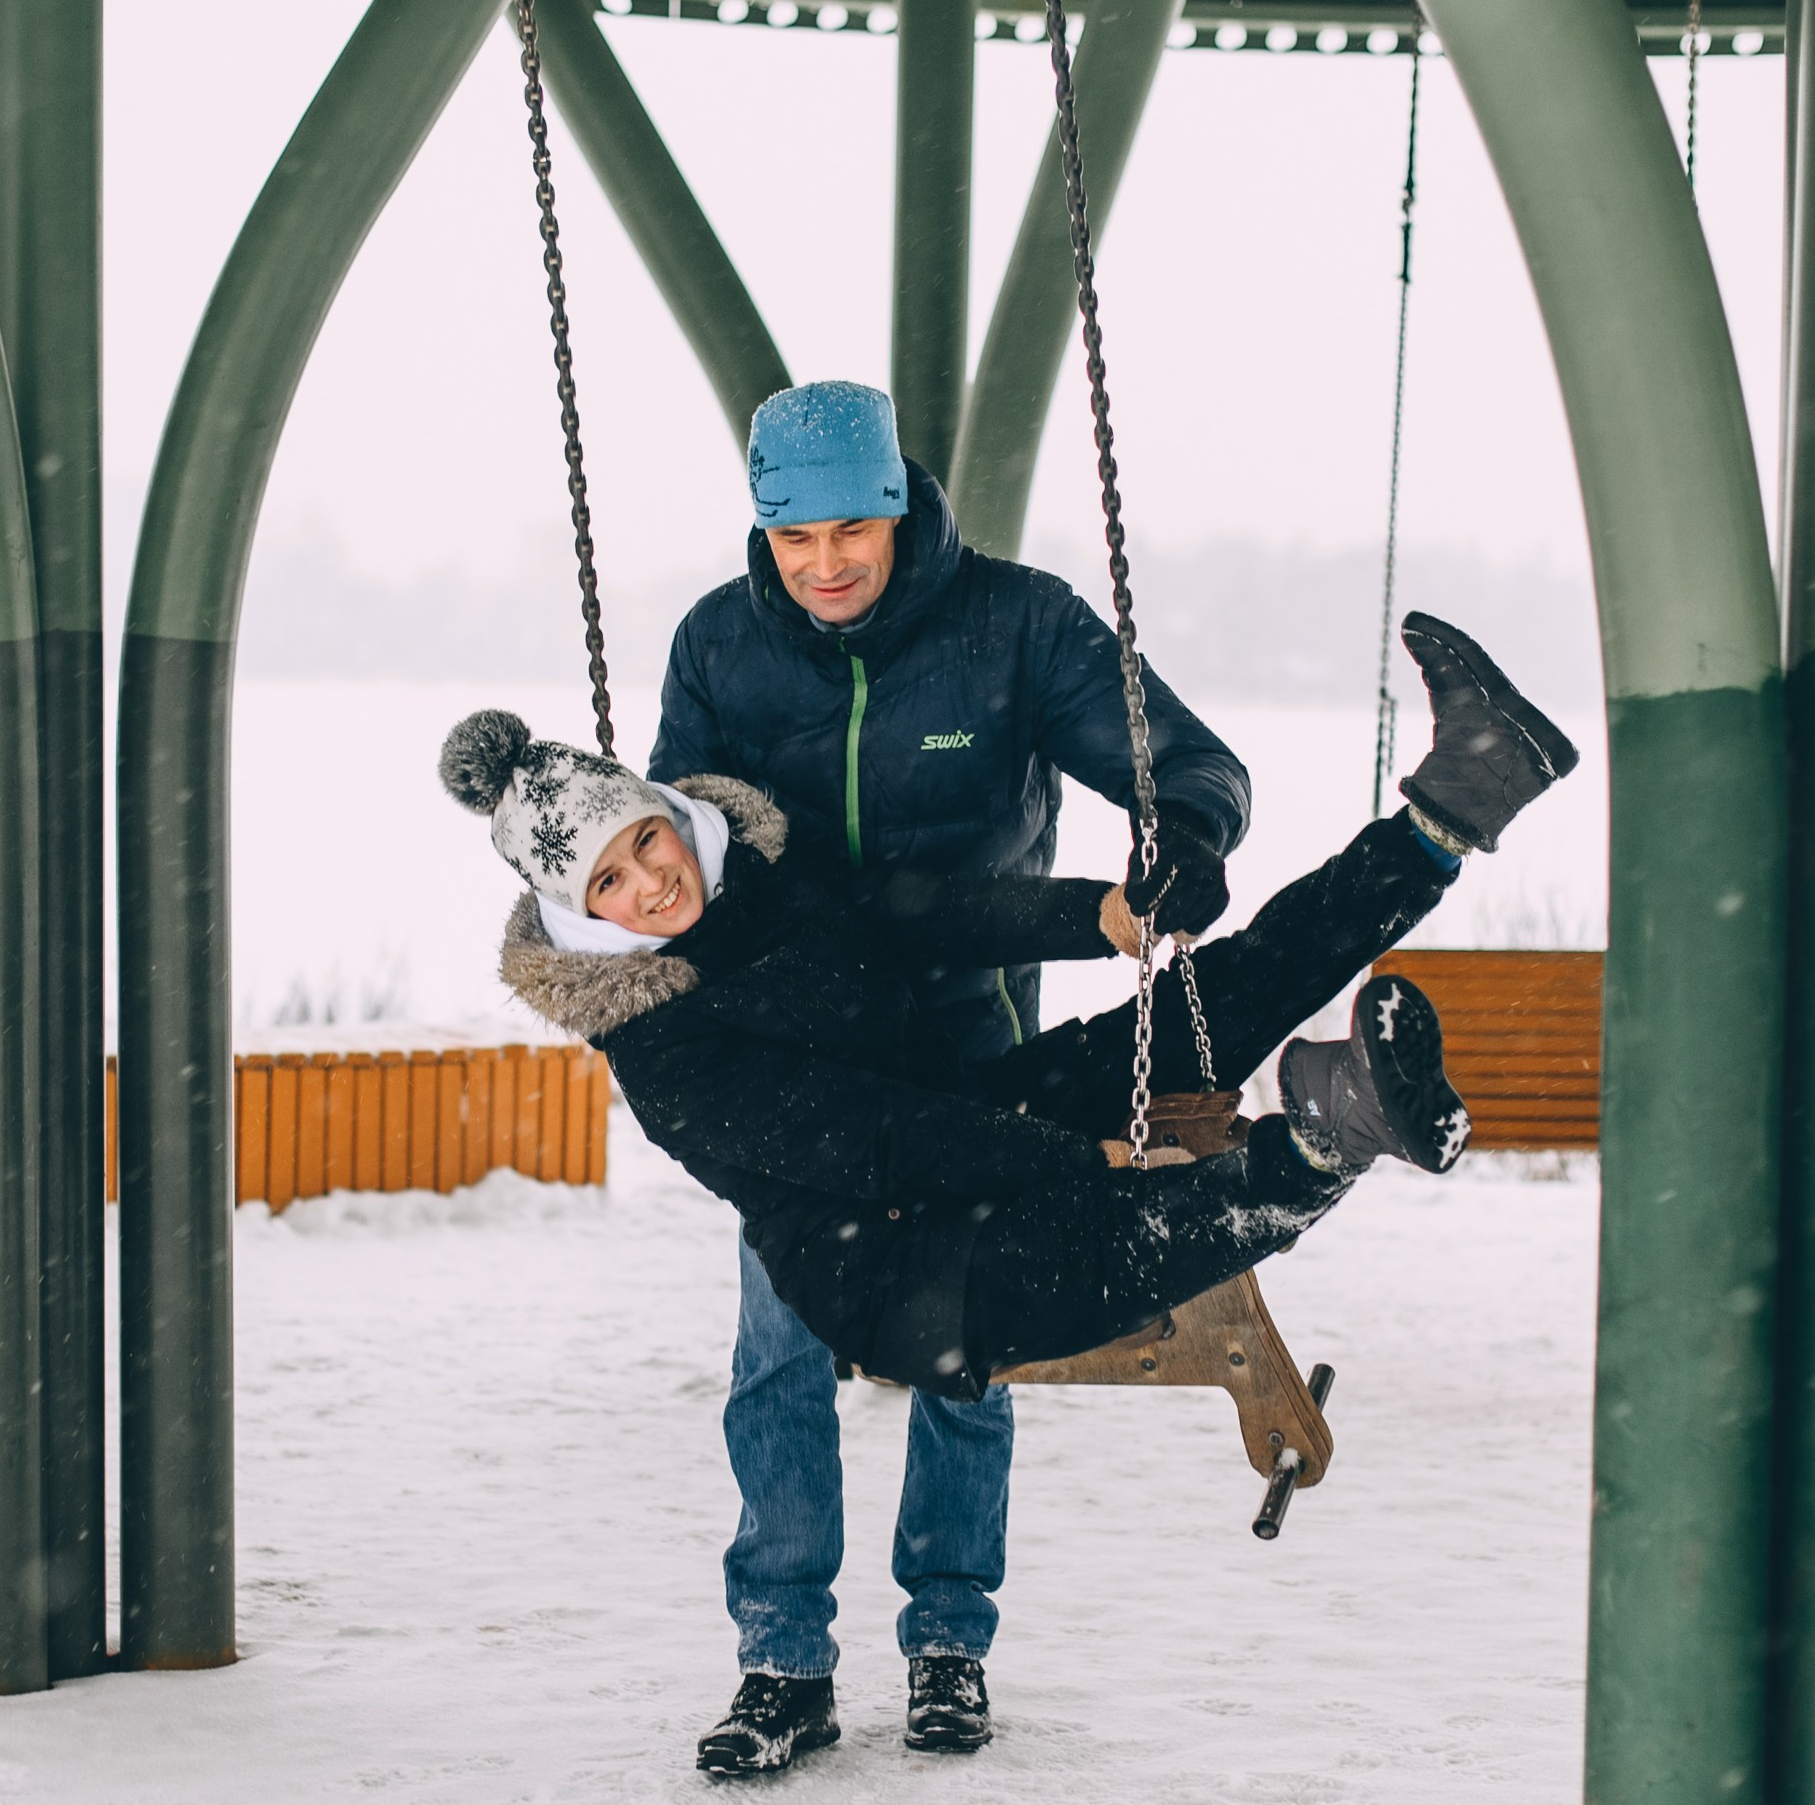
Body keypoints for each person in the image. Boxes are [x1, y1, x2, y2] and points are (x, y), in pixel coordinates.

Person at [444, 606, 1579, 1776]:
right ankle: (1334, 1136)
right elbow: (869, 1139)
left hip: (972, 1114)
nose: (651, 880)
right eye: (610, 880)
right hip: (886, 1269)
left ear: (669, 816)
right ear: (578, 911)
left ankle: (1453, 808)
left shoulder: (769, 876)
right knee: (1114, 1237)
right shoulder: (657, 1046)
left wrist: (1100, 915)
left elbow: (922, 911)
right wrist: (1075, 1160)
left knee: (1202, 1007)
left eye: (646, 840)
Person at [648, 378, 1250, 1764]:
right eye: (794, 539)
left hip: (970, 1035)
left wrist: (1187, 838)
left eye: (850, 531)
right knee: (778, 1348)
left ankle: (947, 1644)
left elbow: (1188, 765)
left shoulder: (1017, 626)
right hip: (800, 1062)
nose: (824, 565)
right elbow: (675, 850)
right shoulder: (719, 645)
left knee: (966, 1347)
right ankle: (781, 1660)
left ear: (899, 507)